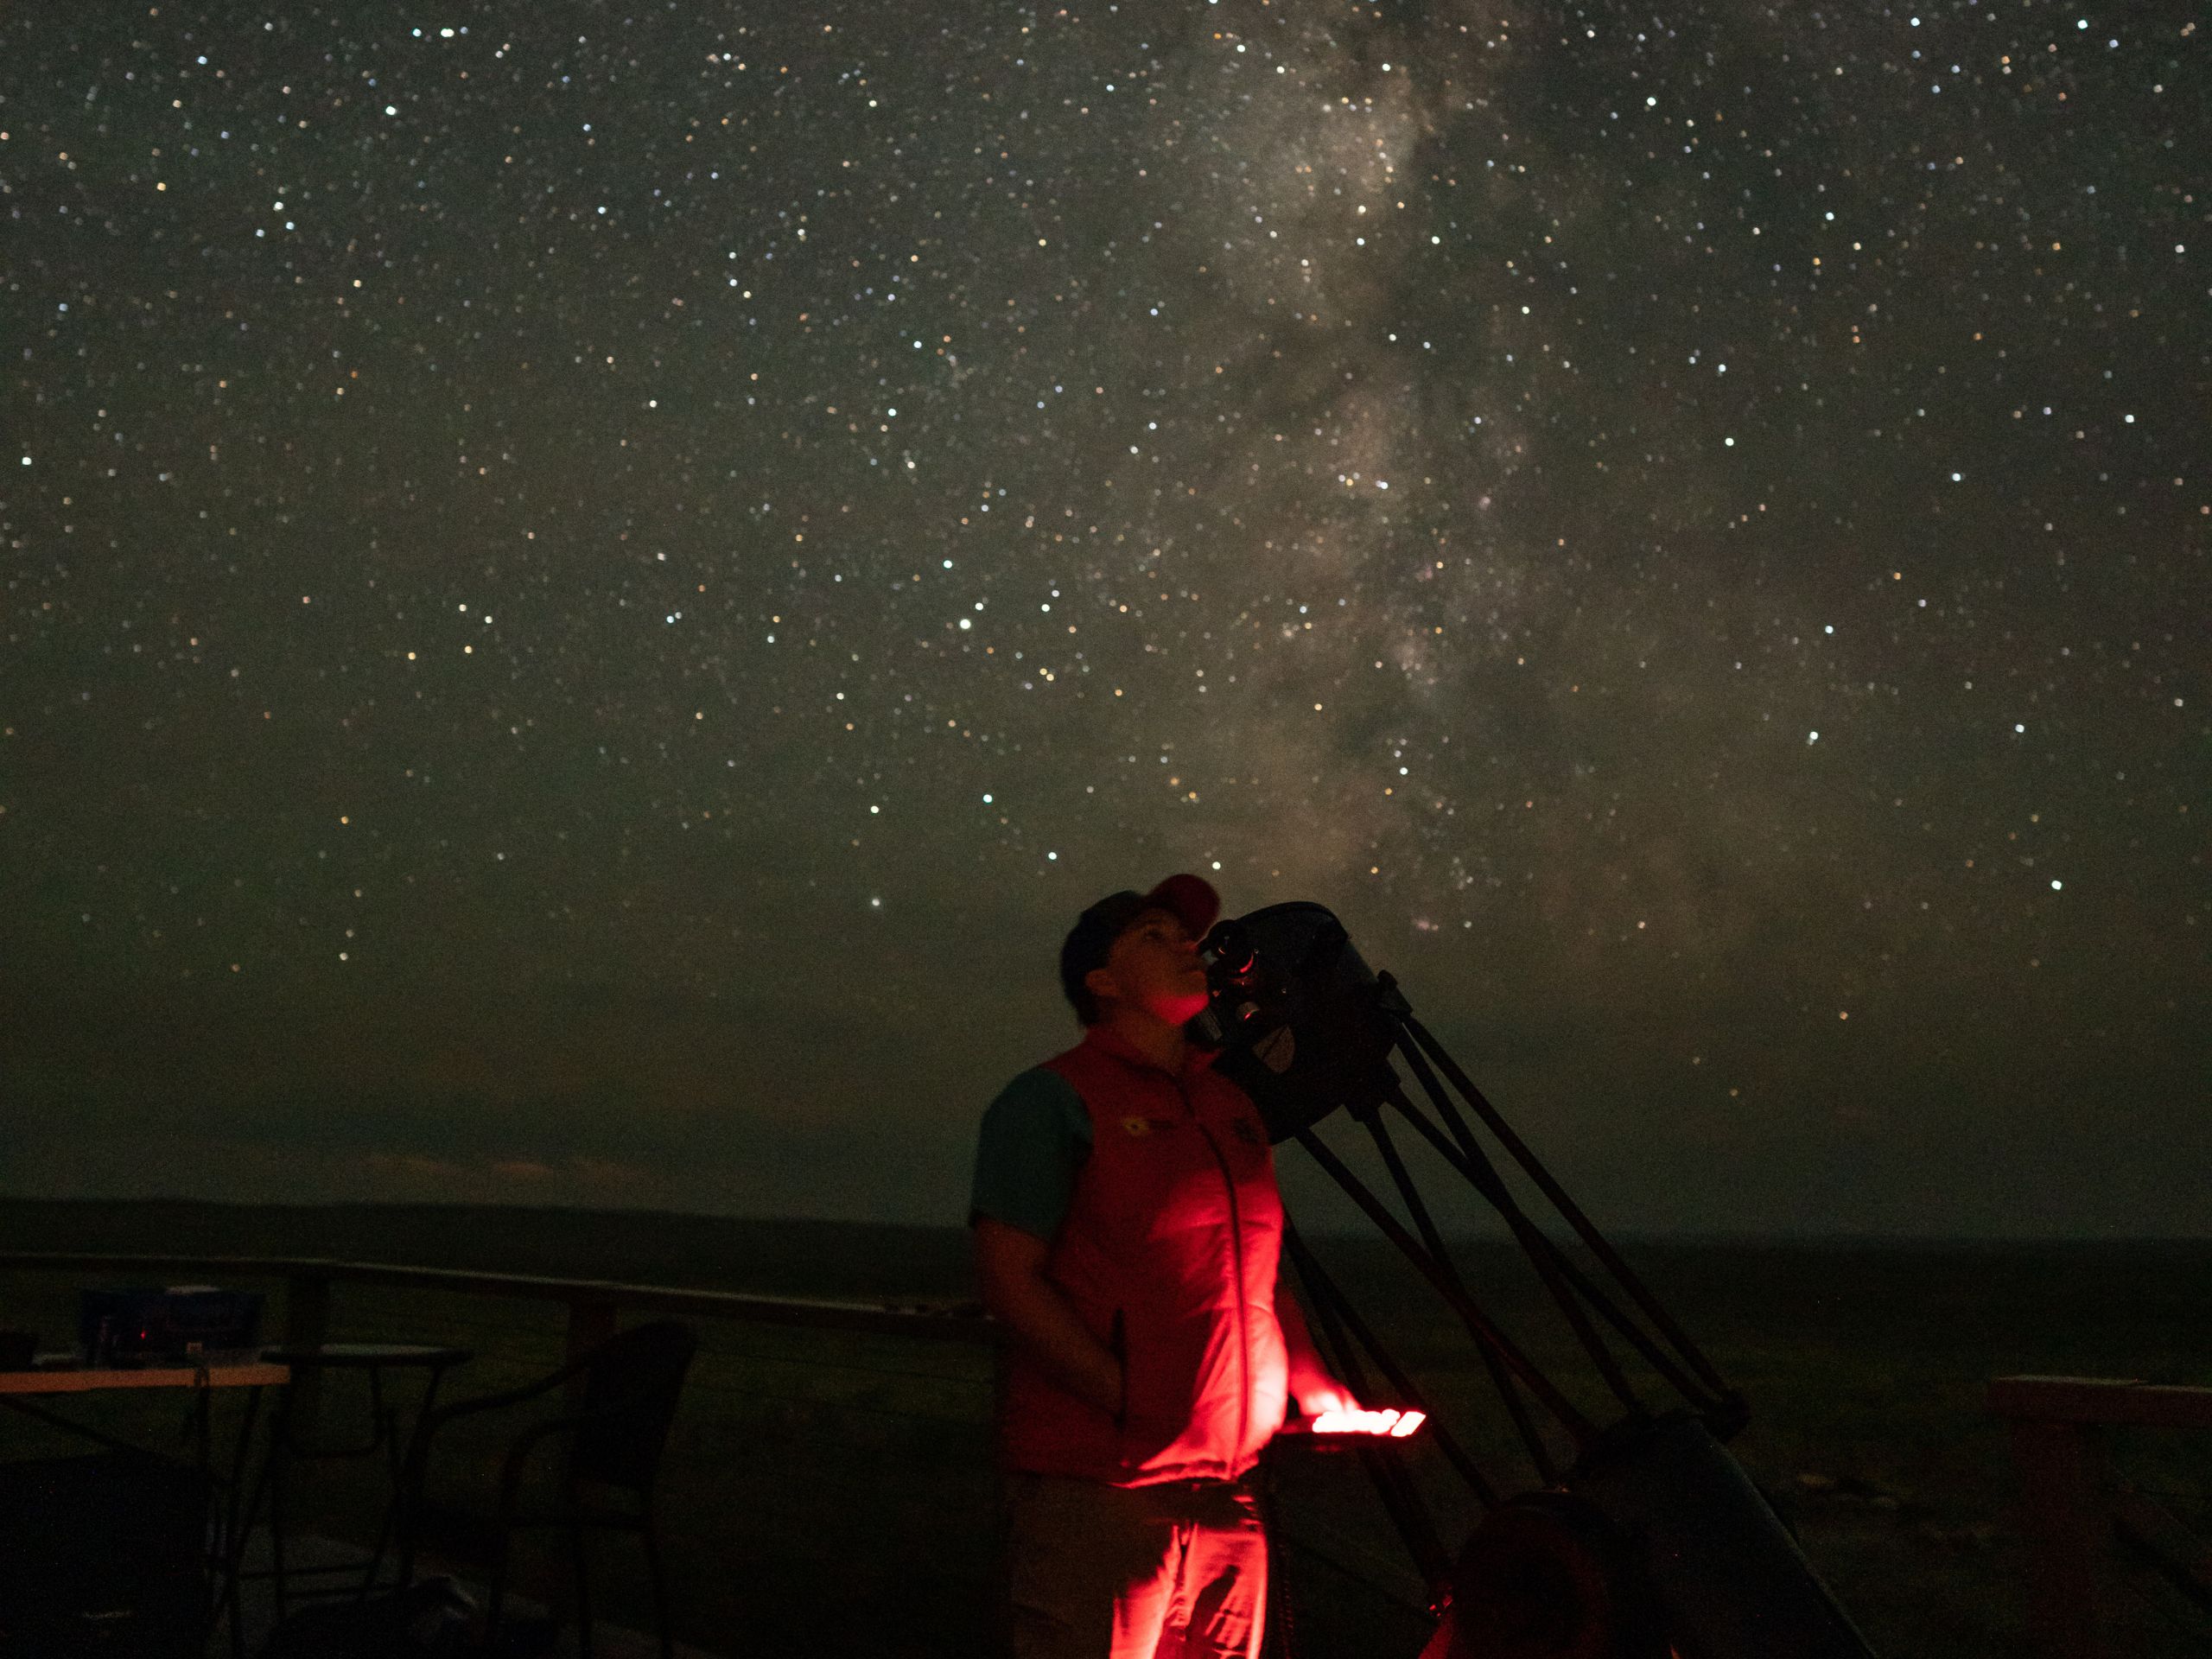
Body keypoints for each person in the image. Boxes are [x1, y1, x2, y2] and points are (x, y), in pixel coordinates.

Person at [970, 874, 1357, 1659]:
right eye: (1154, 936)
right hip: (1103, 1488)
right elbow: (1009, 1278)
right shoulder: (1048, 1102)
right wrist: (1130, 1397)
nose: (1187, 947)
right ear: (1101, 983)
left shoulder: (1230, 1108)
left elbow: (1260, 1269)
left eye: (1185, 937)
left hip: (1231, 1488)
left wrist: (1313, 1385)